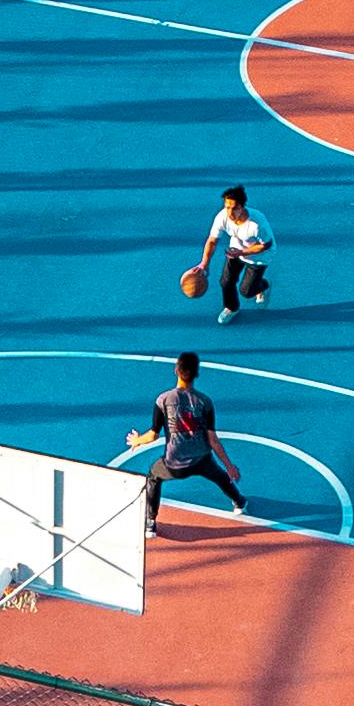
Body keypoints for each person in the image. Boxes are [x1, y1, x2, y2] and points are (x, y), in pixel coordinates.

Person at [127, 352, 246, 534]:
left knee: (153, 476)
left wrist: (137, 440)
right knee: (220, 476)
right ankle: (239, 502)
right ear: (197, 374)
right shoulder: (205, 402)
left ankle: (150, 522)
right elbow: (212, 439)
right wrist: (230, 466)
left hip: (174, 464)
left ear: (176, 371)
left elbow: (152, 435)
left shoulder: (163, 400)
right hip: (202, 460)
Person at [198, 186, 275, 325]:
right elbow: (212, 240)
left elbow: (265, 245)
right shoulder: (222, 217)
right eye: (227, 207)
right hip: (236, 250)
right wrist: (204, 264)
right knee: (226, 282)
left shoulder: (257, 224)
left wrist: (241, 253)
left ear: (242, 207)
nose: (229, 212)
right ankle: (231, 307)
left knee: (247, 291)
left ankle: (264, 285)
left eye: (234, 208)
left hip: (259, 256)